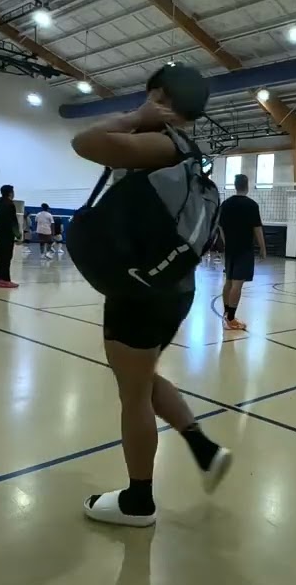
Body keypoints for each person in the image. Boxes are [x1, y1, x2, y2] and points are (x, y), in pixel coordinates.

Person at [69, 72, 231, 528]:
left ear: (159, 97)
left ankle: (139, 501)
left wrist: (134, 117)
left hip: (138, 292)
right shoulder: (190, 155)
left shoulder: (161, 144)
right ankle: (202, 447)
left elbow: (84, 142)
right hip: (174, 286)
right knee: (141, 376)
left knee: (133, 393)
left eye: (151, 96)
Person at [217, 174, 265, 330]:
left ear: (235, 185)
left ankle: (226, 314)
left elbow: (220, 227)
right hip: (245, 249)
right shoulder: (252, 205)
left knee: (229, 282)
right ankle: (230, 319)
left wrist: (226, 242)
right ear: (247, 185)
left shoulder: (225, 204)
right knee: (237, 284)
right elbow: (257, 228)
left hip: (231, 248)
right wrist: (263, 248)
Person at [0, 185, 20, 288]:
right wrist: (18, 234)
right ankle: (5, 280)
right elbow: (13, 221)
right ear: (10, 193)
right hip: (7, 234)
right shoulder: (10, 204)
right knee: (6, 257)